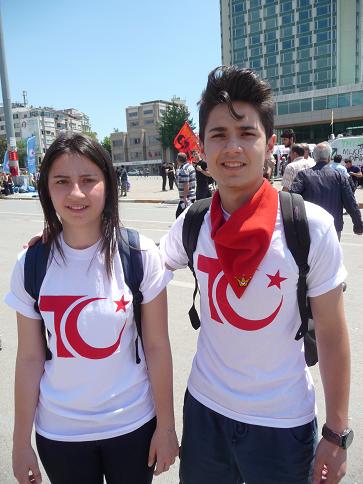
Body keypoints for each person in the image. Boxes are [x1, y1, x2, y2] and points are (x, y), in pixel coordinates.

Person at [160, 66, 352, 484]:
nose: (233, 147)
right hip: (205, 413)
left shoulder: (308, 226)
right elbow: (136, 266)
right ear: (202, 150)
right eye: (218, 134)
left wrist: (337, 434)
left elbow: (335, 338)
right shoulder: (192, 223)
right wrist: (60, 240)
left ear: (269, 146)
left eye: (247, 134)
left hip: (283, 425)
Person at [5, 132, 178, 484]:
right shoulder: (31, 263)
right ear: (46, 189)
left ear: (108, 184)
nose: (76, 194)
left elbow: (158, 347)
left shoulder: (140, 254)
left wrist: (167, 426)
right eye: (62, 182)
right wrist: (20, 442)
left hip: (133, 426)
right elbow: (28, 358)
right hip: (60, 434)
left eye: (88, 180)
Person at [291, 143, 363, 241]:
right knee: (331, 256)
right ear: (329, 157)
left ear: (314, 157)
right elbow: (350, 202)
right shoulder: (339, 177)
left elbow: (291, 199)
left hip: (310, 227)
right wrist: (358, 225)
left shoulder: (303, 175)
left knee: (309, 256)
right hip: (333, 228)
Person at [175, 152, 196, 218]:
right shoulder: (190, 166)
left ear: (178, 159)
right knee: (187, 216)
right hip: (191, 195)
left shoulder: (184, 169)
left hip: (186, 198)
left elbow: (186, 184)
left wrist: (184, 197)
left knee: (179, 216)